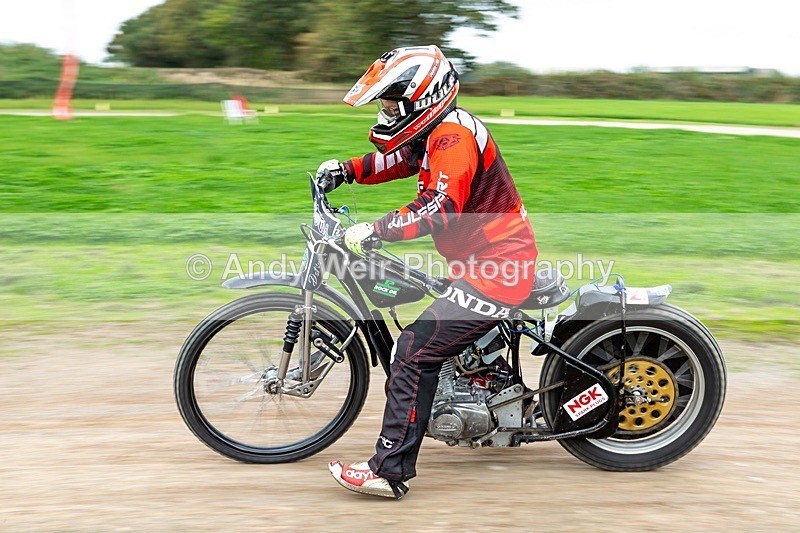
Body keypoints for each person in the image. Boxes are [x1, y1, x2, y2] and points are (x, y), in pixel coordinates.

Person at [318, 45, 537, 499]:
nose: (386, 112)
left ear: (423, 97)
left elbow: (438, 208)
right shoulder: (436, 133)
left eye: (392, 104)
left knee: (415, 348)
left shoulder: (453, 140)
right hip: (481, 263)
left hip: (498, 269)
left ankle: (389, 470)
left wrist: (375, 230)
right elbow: (400, 159)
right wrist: (347, 170)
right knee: (430, 328)